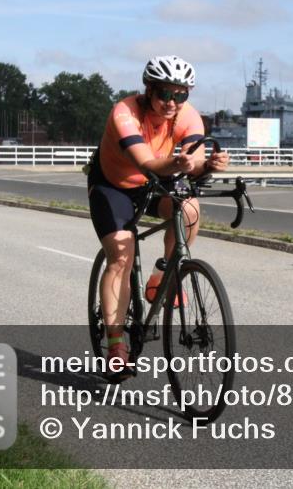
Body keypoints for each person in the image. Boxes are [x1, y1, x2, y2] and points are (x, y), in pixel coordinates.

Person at [88, 56, 229, 378]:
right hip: (115, 185)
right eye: (165, 93)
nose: (172, 102)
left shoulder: (188, 116)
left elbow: (192, 162)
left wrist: (209, 165)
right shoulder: (125, 113)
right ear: (149, 89)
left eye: (180, 95)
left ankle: (161, 277)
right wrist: (181, 165)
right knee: (121, 255)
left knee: (190, 208)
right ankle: (116, 345)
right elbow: (148, 164)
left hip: (159, 181)